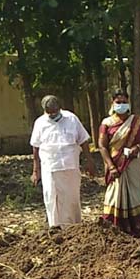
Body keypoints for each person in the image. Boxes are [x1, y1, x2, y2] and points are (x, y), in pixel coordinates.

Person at [30, 95, 96, 228]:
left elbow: (83, 141)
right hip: (50, 168)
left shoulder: (71, 118)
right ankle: (55, 228)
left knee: (71, 199)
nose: (53, 114)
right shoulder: (40, 123)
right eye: (50, 112)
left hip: (70, 167)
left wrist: (89, 162)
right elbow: (35, 148)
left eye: (55, 111)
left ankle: (73, 228)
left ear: (59, 108)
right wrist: (36, 171)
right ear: (45, 111)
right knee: (51, 198)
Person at [99, 89, 140, 234]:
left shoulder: (138, 122)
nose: (121, 105)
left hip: (134, 163)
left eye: (124, 102)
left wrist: (138, 147)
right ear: (113, 103)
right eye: (118, 102)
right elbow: (102, 146)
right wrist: (111, 166)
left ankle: (136, 227)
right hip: (115, 164)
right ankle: (114, 228)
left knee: (135, 193)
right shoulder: (107, 123)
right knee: (114, 195)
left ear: (128, 103)